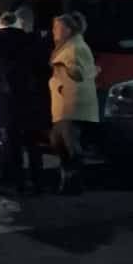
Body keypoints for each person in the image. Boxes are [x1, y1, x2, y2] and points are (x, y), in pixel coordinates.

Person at [0, 8, 48, 193]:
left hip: (7, 99)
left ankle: (17, 182)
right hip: (31, 98)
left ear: (1, 24)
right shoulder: (31, 40)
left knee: (11, 141)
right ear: (16, 23)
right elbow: (44, 70)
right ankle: (38, 180)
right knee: (33, 141)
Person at [49, 10, 98, 194]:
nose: (53, 31)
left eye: (57, 27)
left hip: (72, 105)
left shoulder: (76, 47)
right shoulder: (66, 46)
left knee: (68, 144)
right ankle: (70, 180)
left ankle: (74, 182)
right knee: (59, 142)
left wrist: (63, 70)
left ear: (68, 29)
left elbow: (80, 72)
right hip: (63, 104)